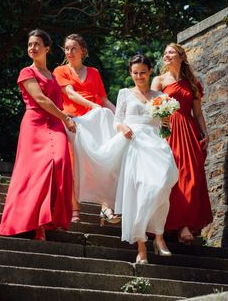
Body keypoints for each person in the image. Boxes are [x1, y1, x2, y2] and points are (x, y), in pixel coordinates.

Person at [73, 53, 179, 264]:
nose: (138, 76)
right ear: (131, 73)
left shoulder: (160, 96)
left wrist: (166, 121)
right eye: (135, 73)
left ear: (150, 72)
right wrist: (123, 128)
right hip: (134, 143)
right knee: (139, 190)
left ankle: (158, 234)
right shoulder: (124, 93)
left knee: (164, 182)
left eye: (142, 72)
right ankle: (142, 246)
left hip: (156, 144)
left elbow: (163, 130)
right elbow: (117, 121)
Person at [0, 29, 76, 241]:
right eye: (30, 44)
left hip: (55, 124)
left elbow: (59, 102)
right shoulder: (26, 72)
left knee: (59, 161)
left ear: (47, 49)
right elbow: (40, 100)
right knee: (37, 171)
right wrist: (64, 118)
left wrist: (68, 119)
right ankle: (37, 223)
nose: (32, 48)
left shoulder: (53, 76)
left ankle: (51, 218)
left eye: (37, 45)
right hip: (34, 124)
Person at [53, 34, 118, 225]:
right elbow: (70, 95)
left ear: (83, 50)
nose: (69, 52)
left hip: (95, 121)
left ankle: (106, 206)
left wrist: (121, 117)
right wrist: (94, 106)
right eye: (66, 48)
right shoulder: (60, 71)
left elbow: (104, 100)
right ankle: (75, 210)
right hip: (74, 122)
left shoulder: (94, 72)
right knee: (75, 165)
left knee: (104, 161)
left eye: (73, 48)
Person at [151, 43, 213, 244]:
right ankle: (173, 224)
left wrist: (205, 133)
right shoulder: (159, 81)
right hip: (168, 130)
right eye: (165, 52)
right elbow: (151, 107)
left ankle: (185, 223)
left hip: (189, 131)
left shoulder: (192, 82)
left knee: (192, 176)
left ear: (181, 57)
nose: (166, 55)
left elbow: (198, 113)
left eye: (171, 52)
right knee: (172, 175)